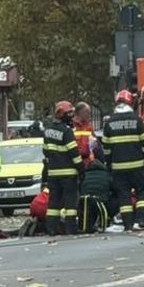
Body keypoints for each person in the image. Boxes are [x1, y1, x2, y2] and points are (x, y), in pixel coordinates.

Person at [102, 90, 144, 231]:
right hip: (138, 166)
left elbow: (106, 148)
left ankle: (128, 224)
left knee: (123, 196)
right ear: (131, 103)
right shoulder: (137, 120)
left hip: (118, 168)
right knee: (142, 193)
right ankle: (142, 220)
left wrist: (109, 163)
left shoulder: (109, 123)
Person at [42, 101, 83, 235]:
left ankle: (51, 229)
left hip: (53, 174)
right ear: (61, 114)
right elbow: (74, 153)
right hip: (68, 173)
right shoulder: (66, 131)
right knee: (70, 203)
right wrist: (81, 169)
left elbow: (45, 151)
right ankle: (71, 228)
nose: (71, 117)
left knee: (53, 202)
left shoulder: (48, 131)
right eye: (68, 114)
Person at [79, 159, 116, 233]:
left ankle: (89, 224)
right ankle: (108, 218)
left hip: (85, 200)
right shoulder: (107, 174)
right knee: (116, 197)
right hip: (101, 201)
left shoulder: (85, 174)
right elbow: (114, 188)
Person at [72, 102, 95, 168]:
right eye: (87, 112)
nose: (89, 115)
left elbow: (95, 145)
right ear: (79, 113)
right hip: (75, 164)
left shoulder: (89, 127)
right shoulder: (71, 126)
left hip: (88, 164)